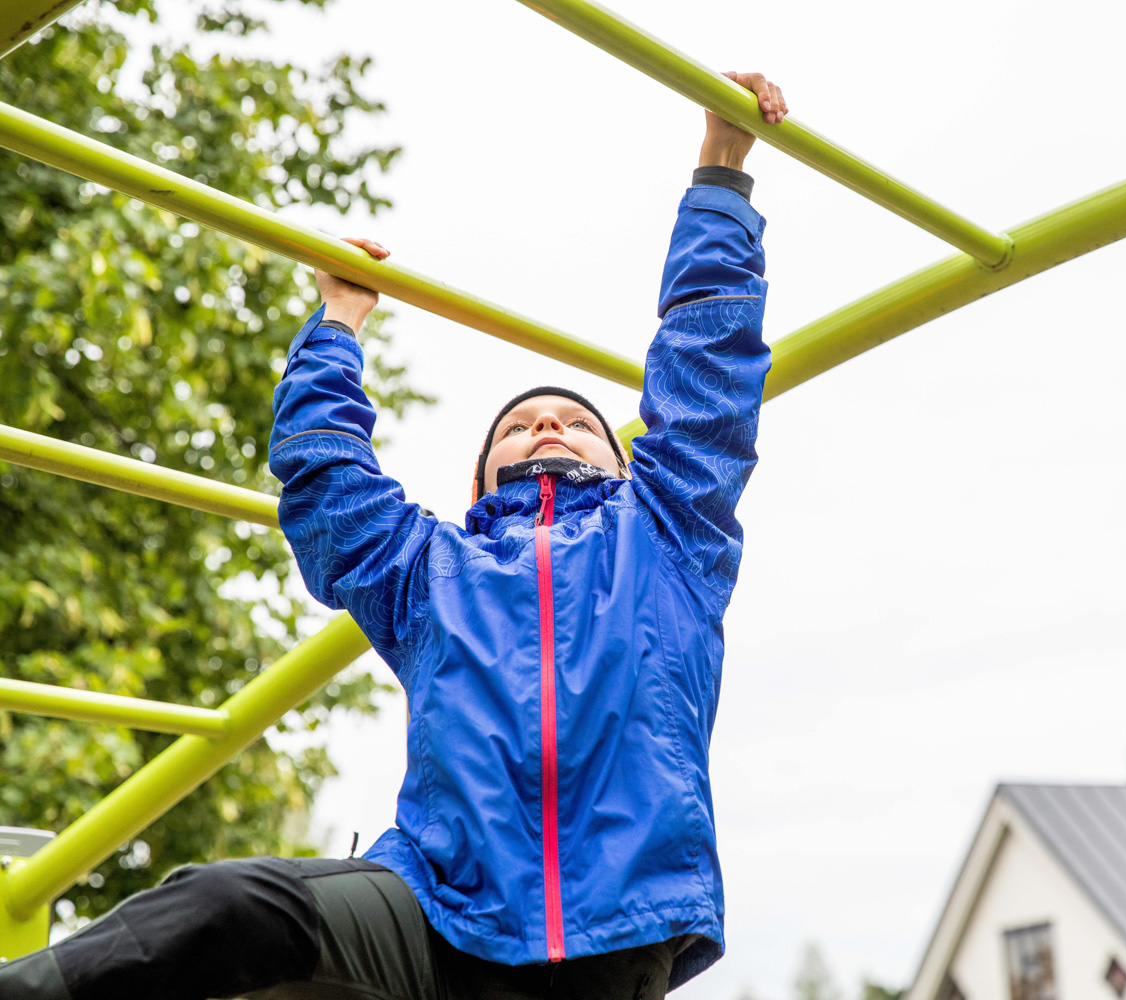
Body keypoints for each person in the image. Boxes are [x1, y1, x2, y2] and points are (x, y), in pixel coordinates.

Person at [0, 71, 787, 1000]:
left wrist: (721, 178)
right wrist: (337, 318)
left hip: (616, 923)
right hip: (437, 912)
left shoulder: (668, 535)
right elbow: (330, 484)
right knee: (230, 910)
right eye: (519, 425)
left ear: (626, 462)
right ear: (479, 479)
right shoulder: (431, 571)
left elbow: (707, 368)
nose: (545, 428)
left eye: (576, 423)